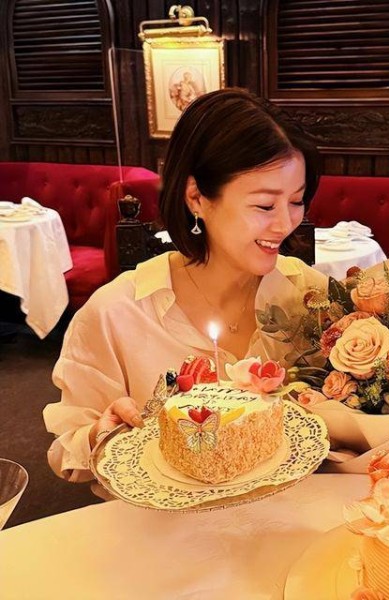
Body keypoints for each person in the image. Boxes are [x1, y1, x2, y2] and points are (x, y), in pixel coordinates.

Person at [43, 88, 327, 490]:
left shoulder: (310, 294)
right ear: (197, 198)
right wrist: (100, 434)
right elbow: (66, 453)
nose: (285, 224)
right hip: (166, 526)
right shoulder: (117, 312)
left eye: (297, 201)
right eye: (265, 206)